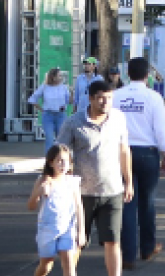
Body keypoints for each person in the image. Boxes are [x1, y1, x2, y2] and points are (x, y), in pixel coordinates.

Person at [56, 79, 134, 276]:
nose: (105, 103)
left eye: (109, 98)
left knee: (113, 240)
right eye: (100, 98)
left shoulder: (118, 118)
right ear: (90, 99)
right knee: (77, 241)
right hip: (82, 193)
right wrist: (62, 178)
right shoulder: (73, 122)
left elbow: (124, 151)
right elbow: (60, 152)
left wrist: (129, 181)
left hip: (112, 190)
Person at [113, 57, 165, 269]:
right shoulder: (153, 97)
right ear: (147, 74)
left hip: (122, 152)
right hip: (148, 153)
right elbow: (161, 128)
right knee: (147, 204)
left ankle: (127, 254)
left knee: (127, 204)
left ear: (127, 73)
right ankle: (147, 248)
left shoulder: (116, 96)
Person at [28, 144, 84, 276]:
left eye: (66, 161)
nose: (63, 164)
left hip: (68, 228)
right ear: (51, 162)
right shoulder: (43, 181)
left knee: (69, 264)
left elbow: (79, 206)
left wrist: (81, 231)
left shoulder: (72, 182)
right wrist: (37, 193)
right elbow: (31, 206)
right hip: (47, 228)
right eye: (59, 160)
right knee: (46, 265)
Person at [30, 68, 72, 153]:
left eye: (61, 75)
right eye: (59, 75)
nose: (61, 77)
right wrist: (41, 109)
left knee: (61, 138)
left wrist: (72, 93)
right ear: (53, 77)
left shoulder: (64, 87)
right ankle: (49, 160)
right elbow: (32, 99)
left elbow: (69, 101)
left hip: (61, 115)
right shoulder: (44, 87)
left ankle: (61, 157)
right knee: (49, 138)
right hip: (48, 115)